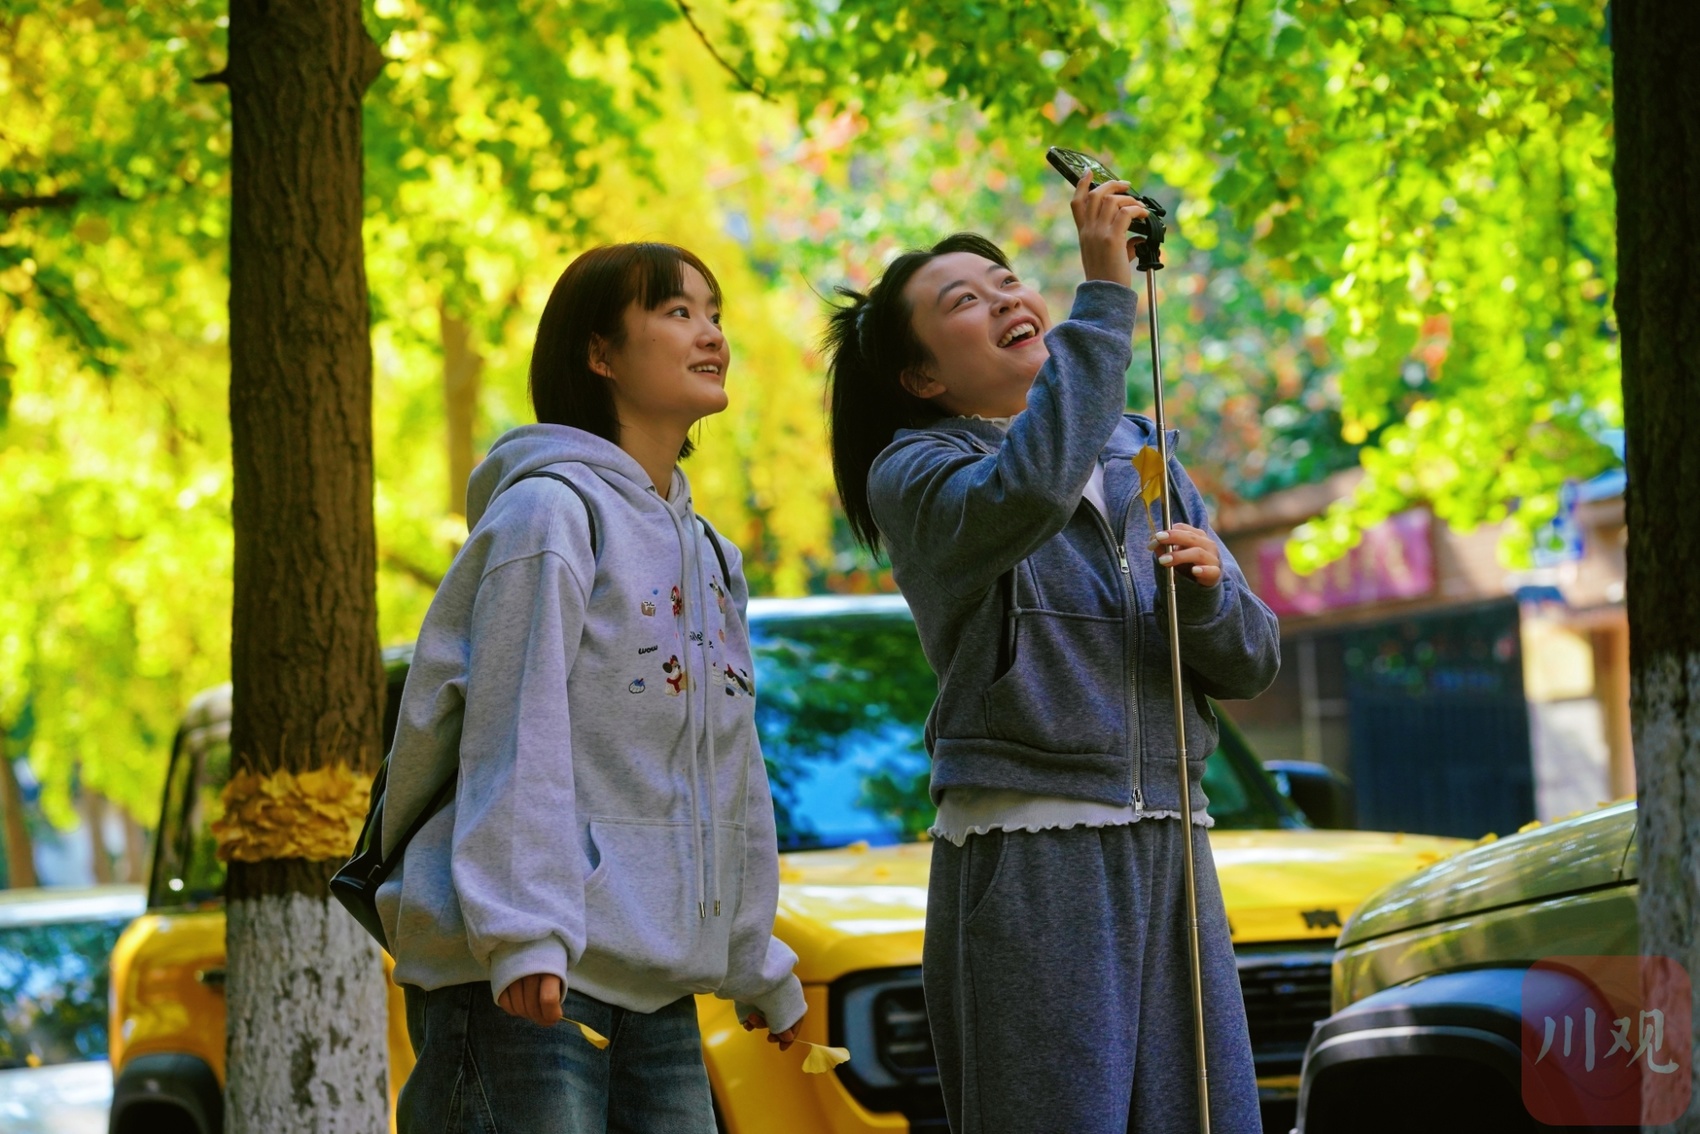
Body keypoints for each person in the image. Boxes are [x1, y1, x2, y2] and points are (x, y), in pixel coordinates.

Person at [823, 177, 1281, 1133]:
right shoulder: (918, 472)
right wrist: (1105, 295)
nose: (1005, 299)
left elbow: (1251, 663)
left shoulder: (1146, 459)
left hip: (1173, 837)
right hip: (1033, 850)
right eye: (965, 300)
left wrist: (1207, 597)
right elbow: (1027, 490)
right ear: (922, 378)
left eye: (1006, 282)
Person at [378, 242, 804, 1133]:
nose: (712, 334)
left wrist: (753, 958)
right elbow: (513, 731)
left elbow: (729, 765)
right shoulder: (547, 514)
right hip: (526, 978)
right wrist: (523, 931)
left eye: (714, 313)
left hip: (654, 979)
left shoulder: (711, 553)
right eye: (677, 312)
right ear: (600, 353)